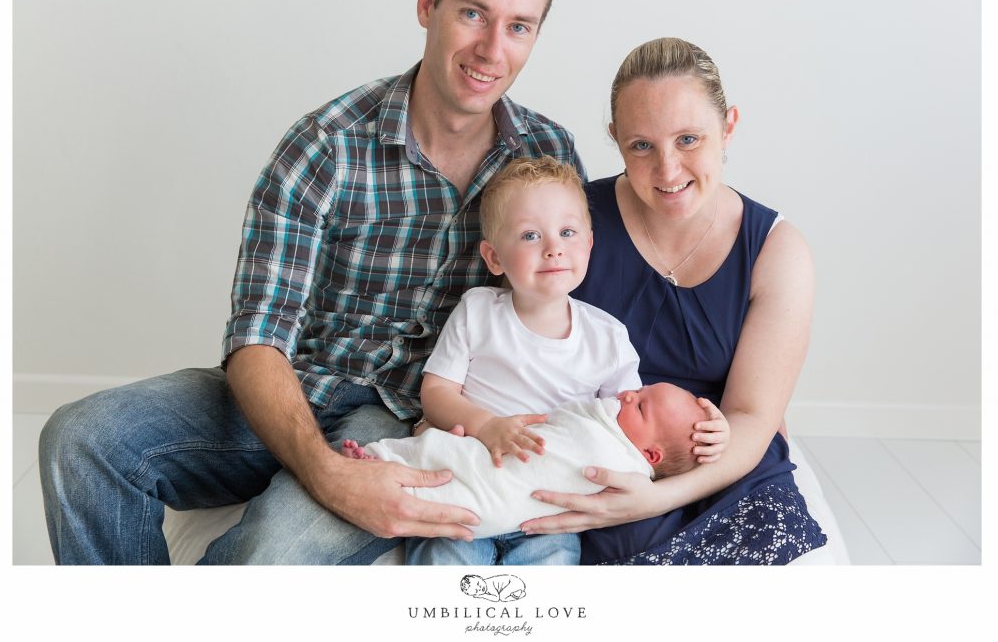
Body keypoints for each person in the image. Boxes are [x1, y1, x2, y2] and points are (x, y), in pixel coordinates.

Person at [38, 0, 584, 565]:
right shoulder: (325, 143)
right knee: (80, 438)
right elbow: (258, 336)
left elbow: (572, 304)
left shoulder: (547, 157)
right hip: (297, 382)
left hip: (410, 420)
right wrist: (325, 473)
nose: (493, 49)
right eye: (473, 13)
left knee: (267, 562)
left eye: (519, 26)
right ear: (427, 5)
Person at [520, 37, 828, 565]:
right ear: (615, 139)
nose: (668, 170)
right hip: (595, 450)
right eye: (642, 146)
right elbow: (519, 341)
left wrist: (655, 498)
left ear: (728, 125)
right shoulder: (570, 224)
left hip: (722, 460)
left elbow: (753, 416)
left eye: (689, 139)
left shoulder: (778, 251)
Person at [397, 156, 730, 564]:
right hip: (470, 477)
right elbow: (436, 392)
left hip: (546, 504)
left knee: (553, 561)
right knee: (443, 553)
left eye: (567, 232)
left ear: (588, 244)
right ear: (494, 257)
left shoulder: (607, 337)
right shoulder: (478, 311)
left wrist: (708, 433)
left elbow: (637, 424)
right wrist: (486, 426)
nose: (554, 248)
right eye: (530, 236)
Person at [340, 383, 716, 540]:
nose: (628, 393)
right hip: (499, 468)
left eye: (641, 404)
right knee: (452, 455)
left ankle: (379, 462)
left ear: (650, 455)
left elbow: (575, 420)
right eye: (641, 389)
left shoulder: (622, 464)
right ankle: (380, 463)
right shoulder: (622, 424)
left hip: (506, 495)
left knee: (454, 469)